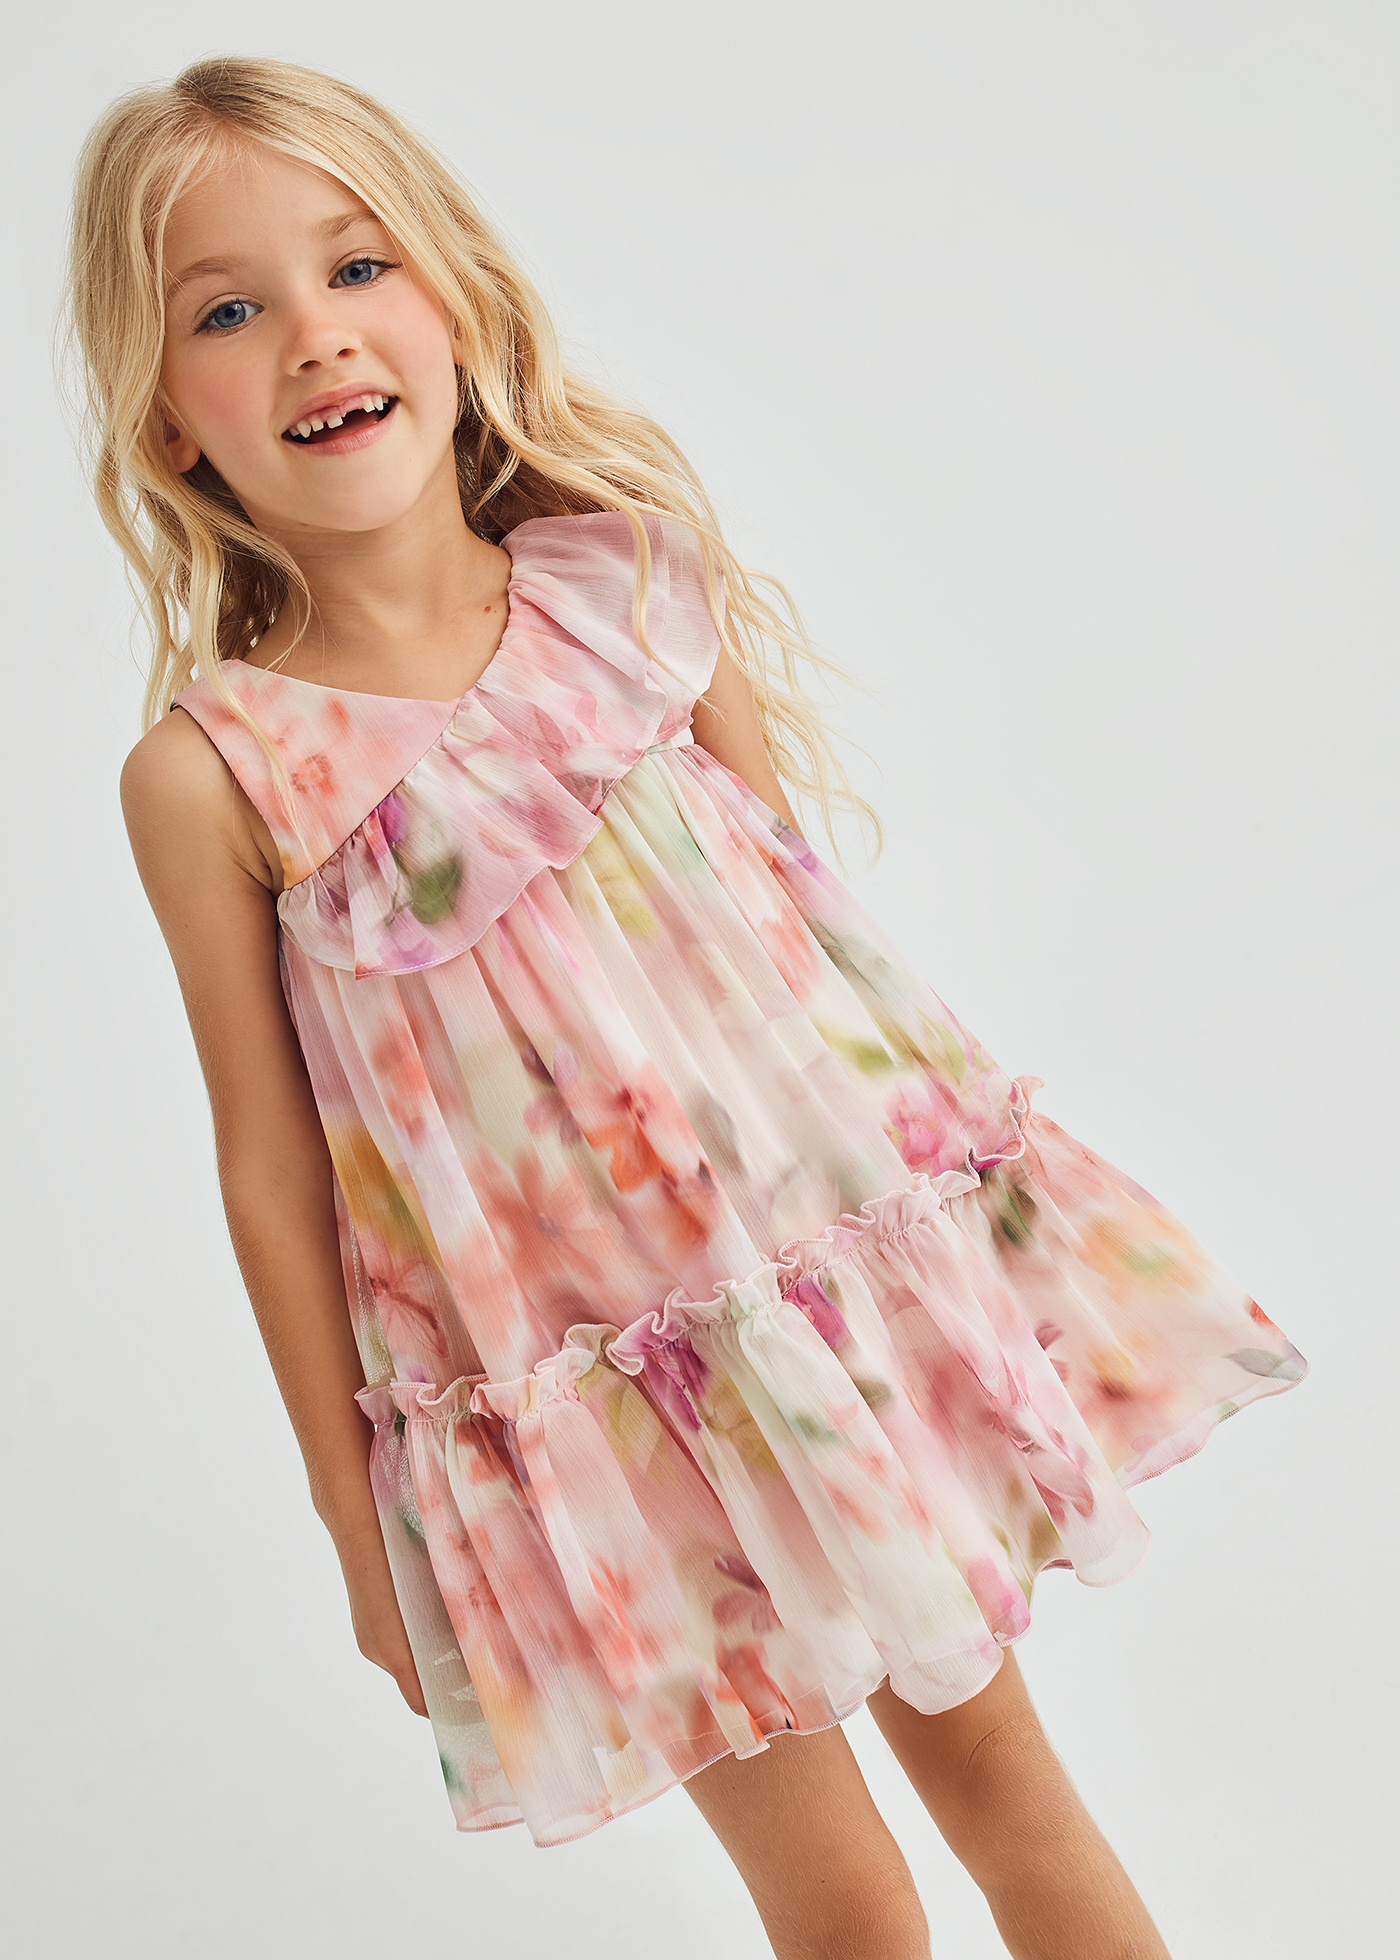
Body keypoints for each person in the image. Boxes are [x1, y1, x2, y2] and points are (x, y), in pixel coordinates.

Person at [67, 55, 1306, 1960]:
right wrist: (353, 1519)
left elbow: (800, 967)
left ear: (455, 301)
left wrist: (957, 1272)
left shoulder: (633, 587)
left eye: (359, 266)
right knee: (844, 1906)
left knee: (1010, 1794)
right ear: (167, 417)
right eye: (227, 311)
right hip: (596, 1423)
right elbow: (268, 1169)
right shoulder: (220, 775)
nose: (315, 335)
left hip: (818, 1327)